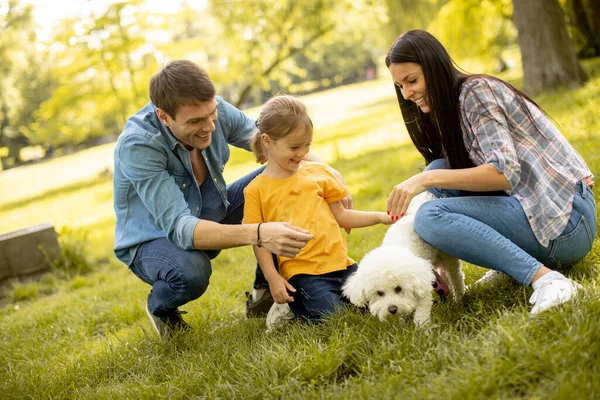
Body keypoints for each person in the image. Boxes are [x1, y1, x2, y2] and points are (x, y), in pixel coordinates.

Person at [113, 60, 348, 337]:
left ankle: (266, 292)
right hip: (154, 238)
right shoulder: (139, 144)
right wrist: (259, 233)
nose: (209, 127)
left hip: (209, 210)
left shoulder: (216, 111)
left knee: (282, 179)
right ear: (164, 117)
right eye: (195, 122)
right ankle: (160, 307)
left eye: (211, 114)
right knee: (191, 273)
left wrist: (326, 174)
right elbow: (181, 227)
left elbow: (270, 140)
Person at [384, 30, 596, 315]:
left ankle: (548, 280)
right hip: (536, 210)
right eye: (400, 85)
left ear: (434, 68)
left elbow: (503, 174)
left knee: (430, 212)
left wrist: (423, 179)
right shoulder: (449, 107)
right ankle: (510, 263)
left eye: (412, 80)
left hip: (565, 223)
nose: (407, 94)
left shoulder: (476, 92)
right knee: (439, 169)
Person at [242, 95, 393, 329]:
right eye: (294, 146)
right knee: (337, 319)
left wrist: (380, 217)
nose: (302, 152)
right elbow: (258, 241)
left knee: (374, 307)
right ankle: (288, 308)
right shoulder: (256, 190)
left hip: (342, 265)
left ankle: (302, 306)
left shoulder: (318, 174)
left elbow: (342, 216)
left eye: (308, 145)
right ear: (267, 141)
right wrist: (273, 278)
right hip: (303, 274)